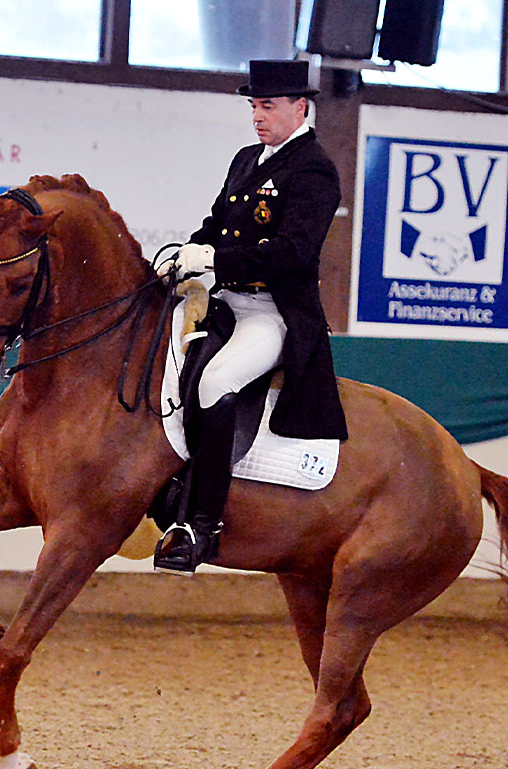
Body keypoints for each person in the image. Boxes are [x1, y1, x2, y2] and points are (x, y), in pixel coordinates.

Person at [154, 58, 349, 576]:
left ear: (299, 107)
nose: (257, 116)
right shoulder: (246, 159)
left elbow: (292, 251)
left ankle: (201, 523)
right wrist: (186, 254)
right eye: (254, 106)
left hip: (275, 312)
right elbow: (217, 223)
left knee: (215, 383)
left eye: (267, 106)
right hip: (226, 301)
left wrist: (214, 260)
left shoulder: (314, 169)